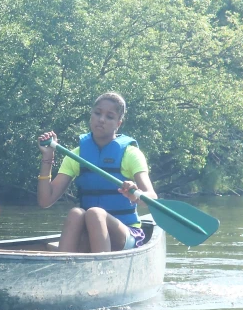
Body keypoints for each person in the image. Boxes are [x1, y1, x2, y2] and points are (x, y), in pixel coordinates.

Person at [37, 92, 157, 253]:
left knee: (95, 213)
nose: (101, 119)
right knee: (76, 213)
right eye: (97, 113)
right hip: (89, 232)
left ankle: (102, 269)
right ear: (91, 116)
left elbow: (152, 197)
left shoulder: (131, 154)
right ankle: (63, 266)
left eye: (109, 116)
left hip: (126, 233)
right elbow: (45, 201)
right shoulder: (77, 155)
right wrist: (47, 157)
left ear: (118, 124)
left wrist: (136, 194)